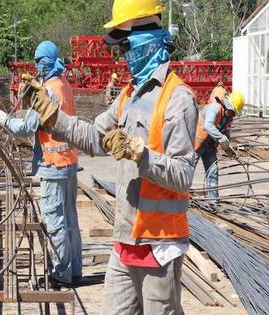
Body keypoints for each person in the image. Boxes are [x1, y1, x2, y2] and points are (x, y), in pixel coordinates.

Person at [18, 1, 198, 313]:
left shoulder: (178, 99)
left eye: (125, 45)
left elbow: (183, 175)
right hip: (125, 240)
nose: (123, 55)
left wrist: (141, 154)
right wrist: (51, 116)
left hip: (160, 245)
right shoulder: (128, 96)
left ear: (146, 37)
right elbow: (92, 137)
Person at [0, 41, 82, 287]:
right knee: (70, 219)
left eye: (41, 61)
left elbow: (24, 127)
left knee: (55, 220)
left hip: (54, 163)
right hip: (69, 162)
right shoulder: (64, 84)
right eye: (36, 61)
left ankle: (61, 273)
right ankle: (75, 270)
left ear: (49, 60)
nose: (38, 65)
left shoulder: (49, 91)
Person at [194, 92, 245, 199]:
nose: (232, 115)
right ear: (228, 107)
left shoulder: (227, 116)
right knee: (188, 170)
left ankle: (213, 202)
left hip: (209, 145)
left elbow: (225, 131)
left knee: (213, 171)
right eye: (232, 112)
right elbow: (208, 125)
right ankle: (180, 197)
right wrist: (221, 138)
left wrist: (228, 148)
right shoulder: (215, 108)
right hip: (197, 144)